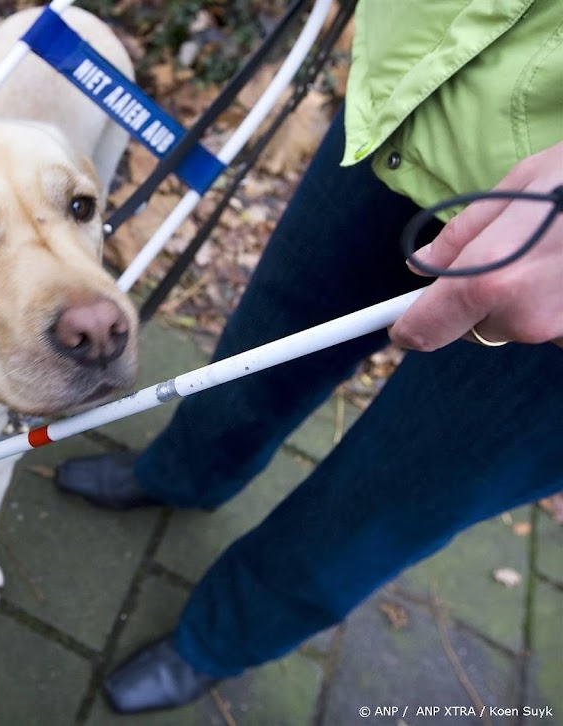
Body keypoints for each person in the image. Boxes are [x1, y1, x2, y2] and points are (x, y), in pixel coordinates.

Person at [55, 0, 563, 714]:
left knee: (393, 495)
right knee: (258, 353)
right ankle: (184, 472)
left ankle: (224, 636)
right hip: (415, 91)